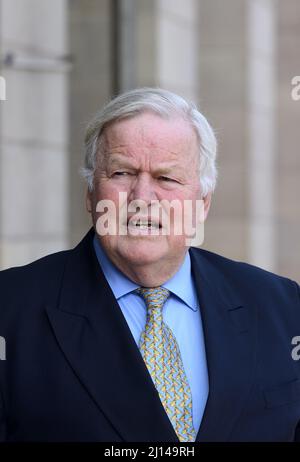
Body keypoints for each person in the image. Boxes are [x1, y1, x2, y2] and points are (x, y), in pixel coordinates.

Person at [0, 87, 300, 442]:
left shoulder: (281, 306)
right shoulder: (10, 308)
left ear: (202, 203)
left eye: (166, 178)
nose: (142, 198)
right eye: (122, 173)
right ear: (90, 193)